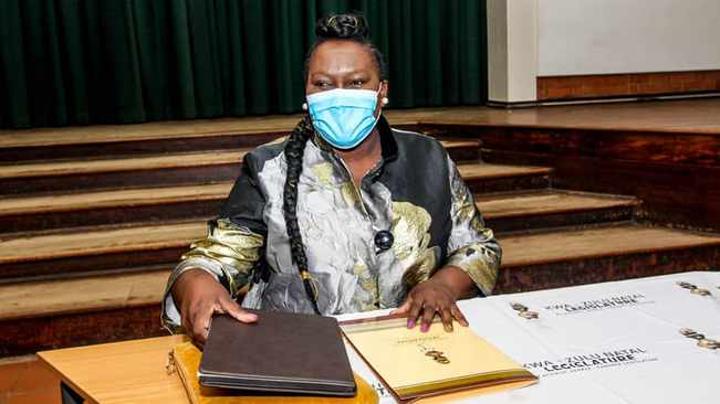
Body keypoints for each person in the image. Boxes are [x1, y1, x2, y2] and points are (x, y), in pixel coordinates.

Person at [162, 13, 501, 346]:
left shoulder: (428, 158)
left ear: (382, 90)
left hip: (410, 344)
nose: (339, 96)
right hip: (298, 351)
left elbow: (478, 247)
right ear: (307, 93)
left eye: (356, 83)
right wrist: (197, 284)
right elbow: (215, 258)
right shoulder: (269, 169)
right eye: (323, 84)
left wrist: (444, 284)